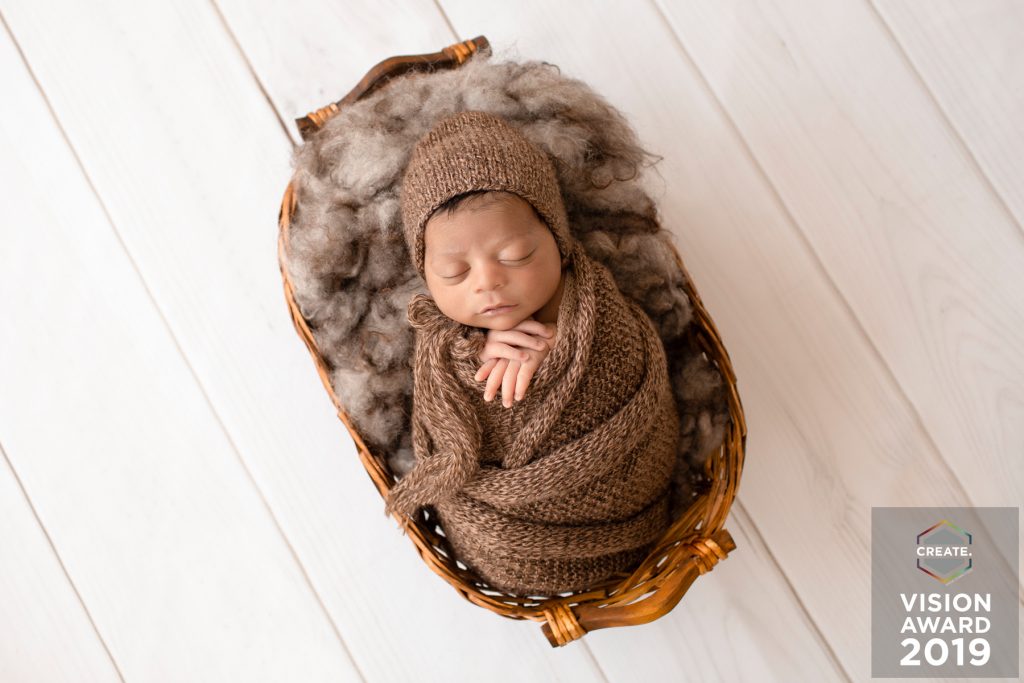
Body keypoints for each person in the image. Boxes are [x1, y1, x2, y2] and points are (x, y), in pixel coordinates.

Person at [386, 110, 679, 596]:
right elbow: (439, 422)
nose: (487, 282)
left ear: (559, 243)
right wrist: (468, 353)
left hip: (628, 503)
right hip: (503, 545)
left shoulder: (598, 313)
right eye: (455, 273)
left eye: (515, 256)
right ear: (427, 278)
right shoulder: (445, 342)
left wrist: (564, 349)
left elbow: (631, 366)